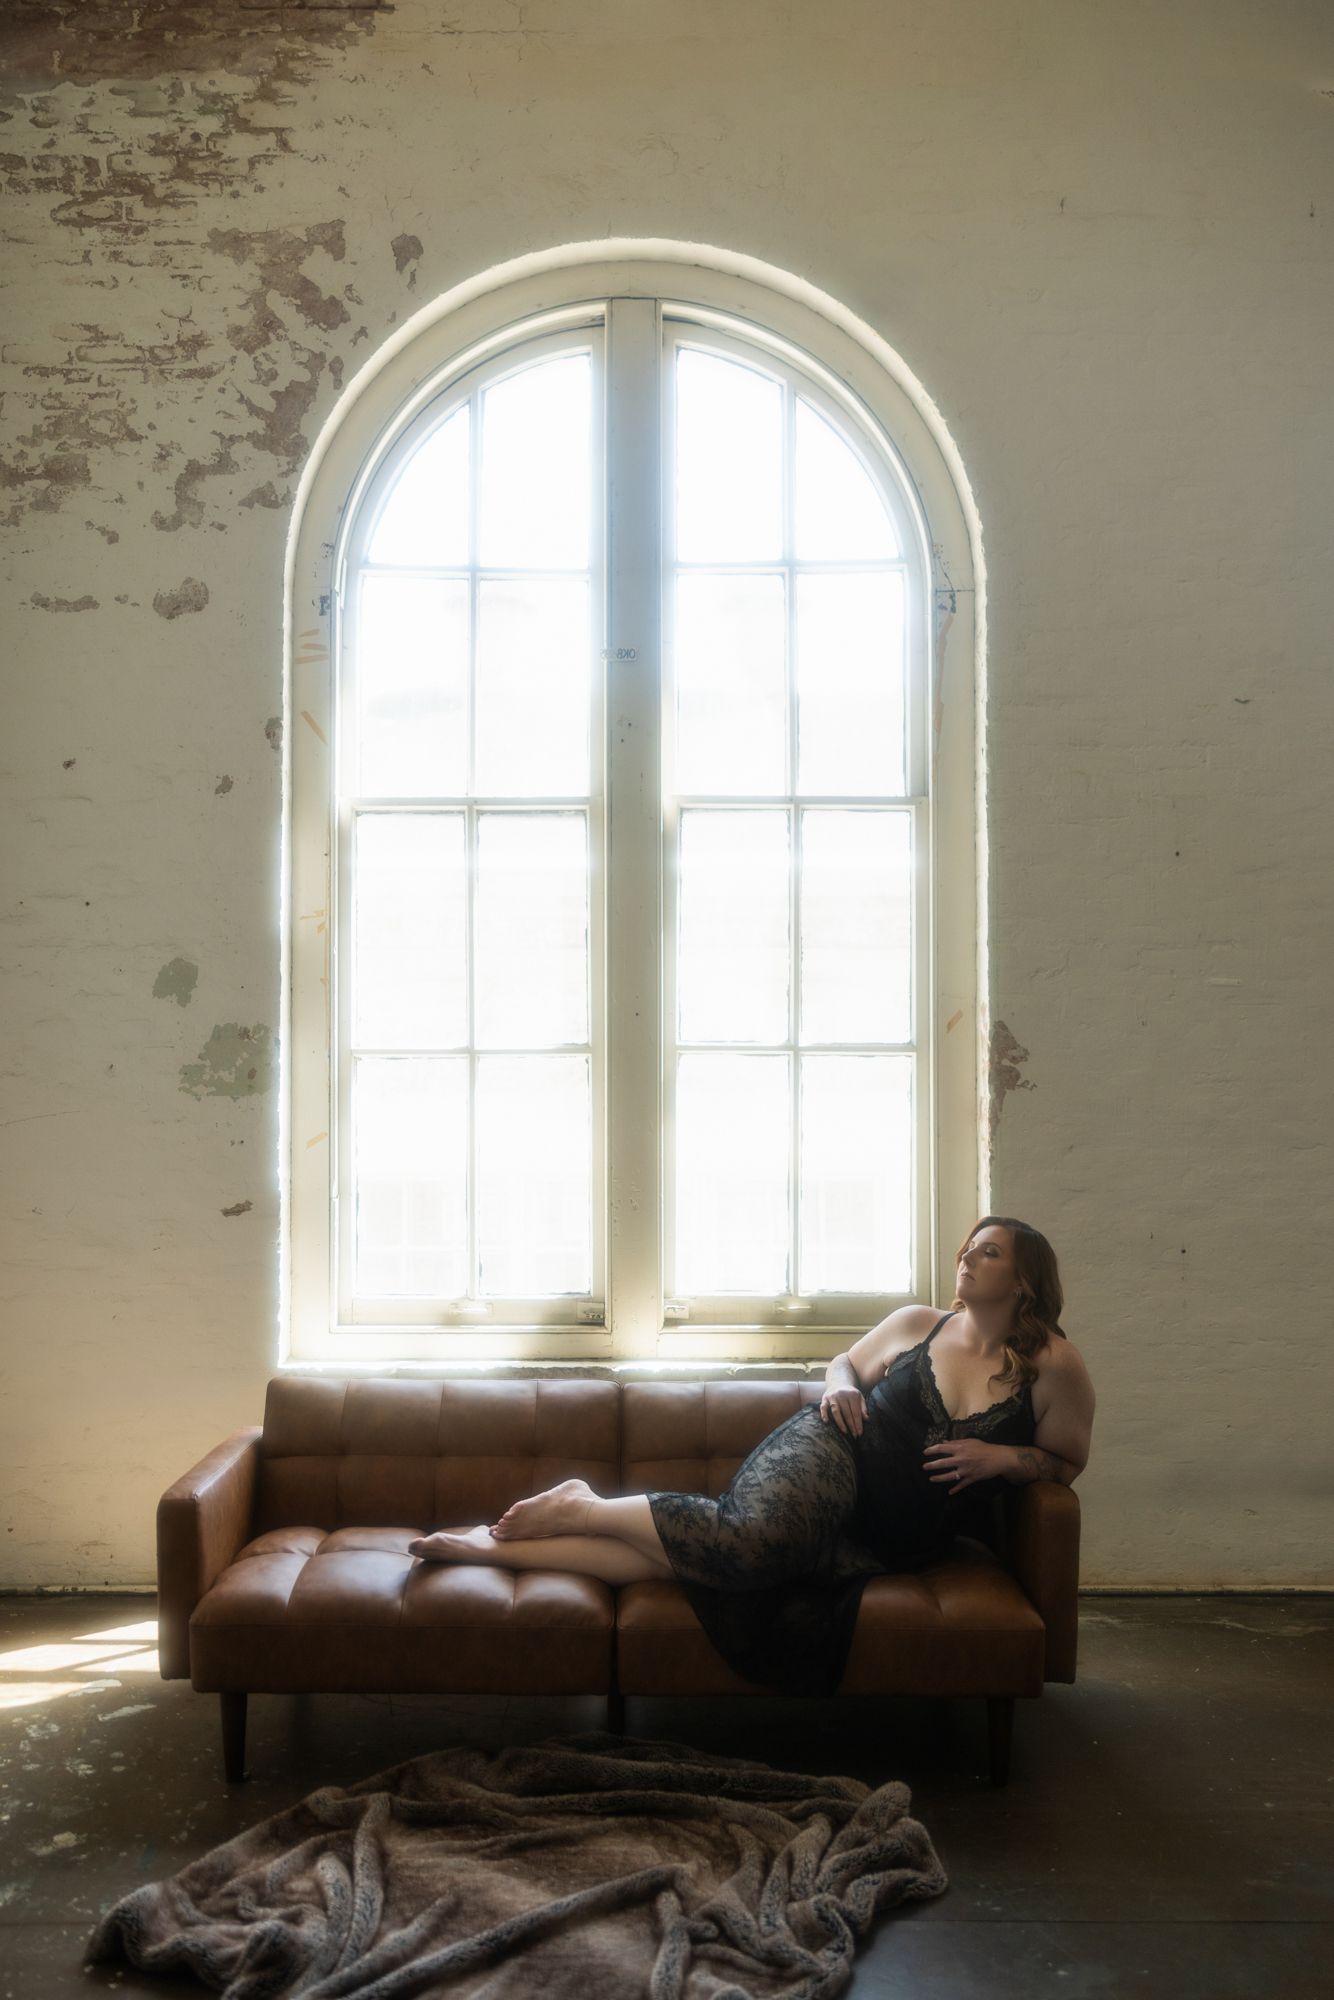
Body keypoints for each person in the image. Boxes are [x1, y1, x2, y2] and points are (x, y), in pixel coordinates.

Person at [408, 1215, 1097, 1694]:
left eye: (989, 1253)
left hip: (894, 1535)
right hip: (834, 1458)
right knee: (749, 1542)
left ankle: (491, 1550)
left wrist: (1006, 1461)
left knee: (708, 1565)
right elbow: (842, 1366)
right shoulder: (920, 1323)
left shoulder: (1055, 1366)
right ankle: (586, 1509)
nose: (967, 1259)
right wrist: (841, 1390)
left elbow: (1067, 1461)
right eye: (967, 1249)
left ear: (1025, 1280)